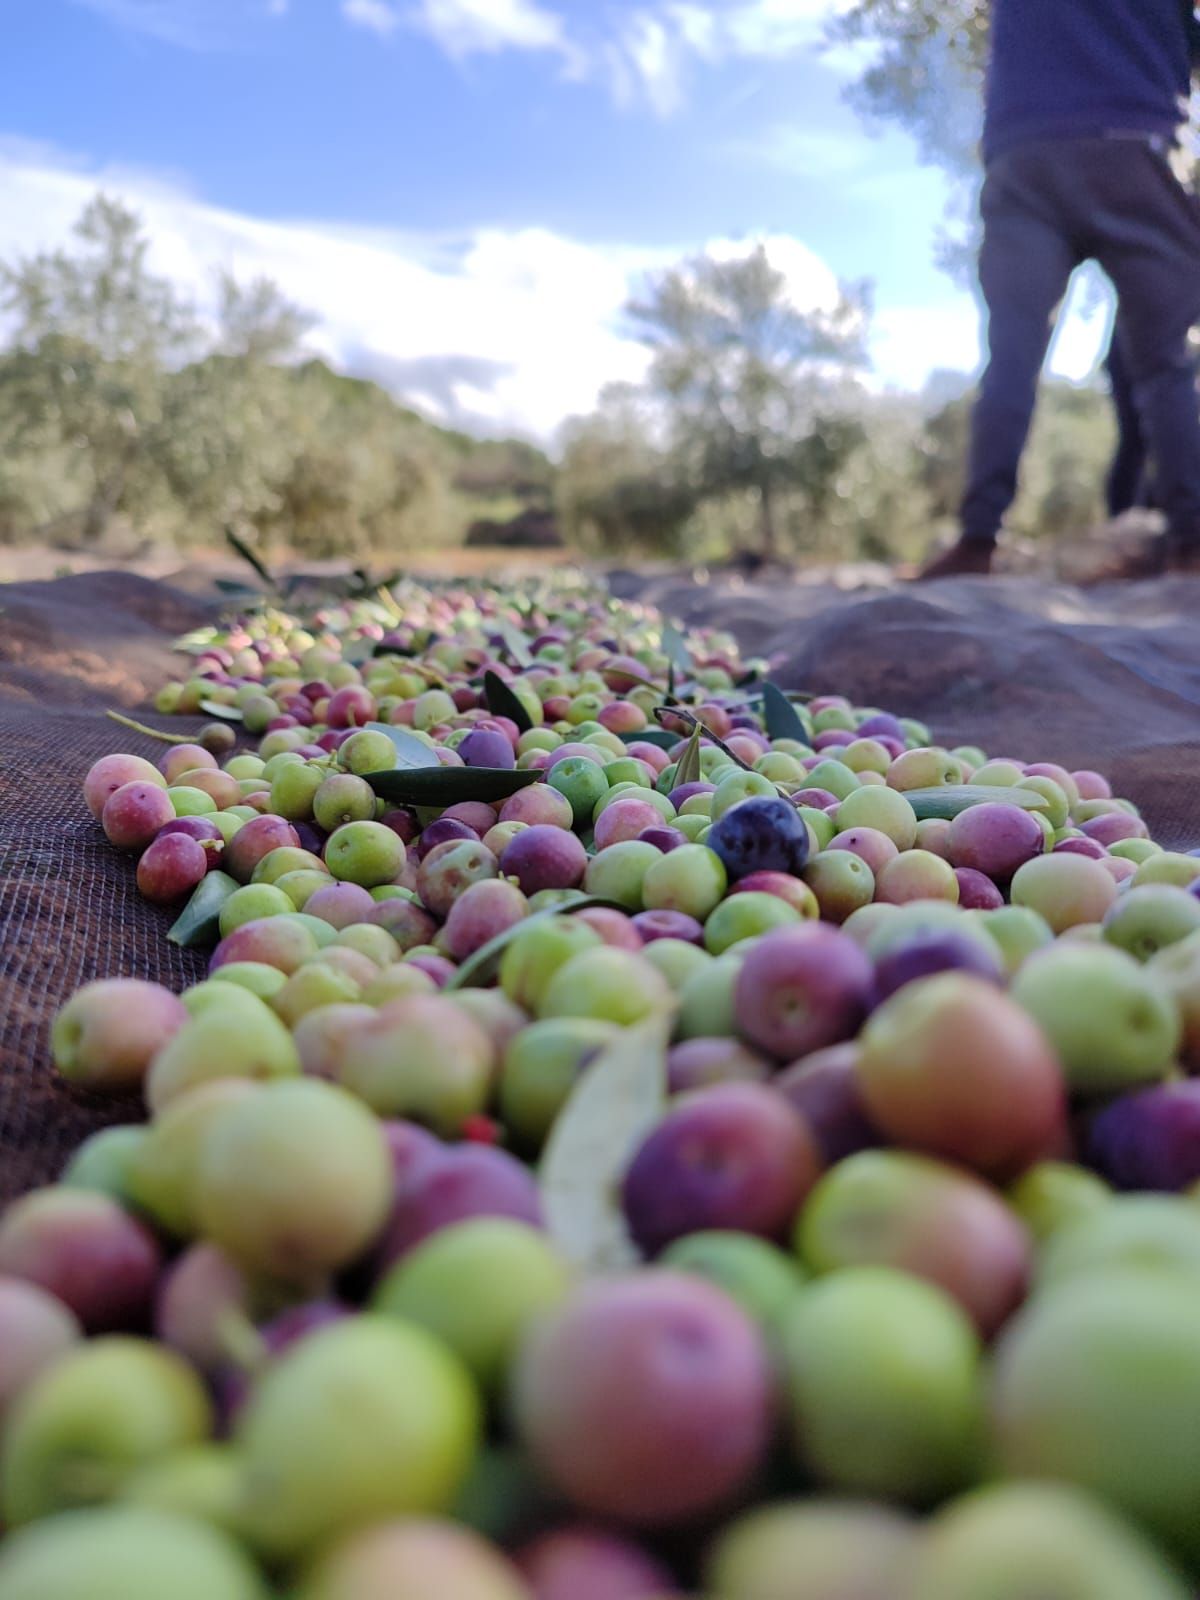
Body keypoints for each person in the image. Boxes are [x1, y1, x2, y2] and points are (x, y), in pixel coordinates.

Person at [919, 0, 1200, 579]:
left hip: (1027, 152)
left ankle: (976, 540)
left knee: (1011, 356)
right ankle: (1192, 543)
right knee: (1166, 368)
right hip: (1136, 147)